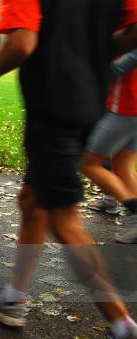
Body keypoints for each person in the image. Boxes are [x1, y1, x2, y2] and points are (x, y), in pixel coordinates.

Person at [0, 0, 137, 339]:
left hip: (53, 109)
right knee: (32, 200)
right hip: (90, 101)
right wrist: (92, 51)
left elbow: (22, 43)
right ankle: (13, 298)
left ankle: (123, 327)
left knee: (65, 222)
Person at [82, 49, 137, 244]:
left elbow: (119, 66)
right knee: (123, 165)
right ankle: (110, 200)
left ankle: (134, 211)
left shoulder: (131, 24)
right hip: (130, 108)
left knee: (88, 163)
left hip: (124, 108)